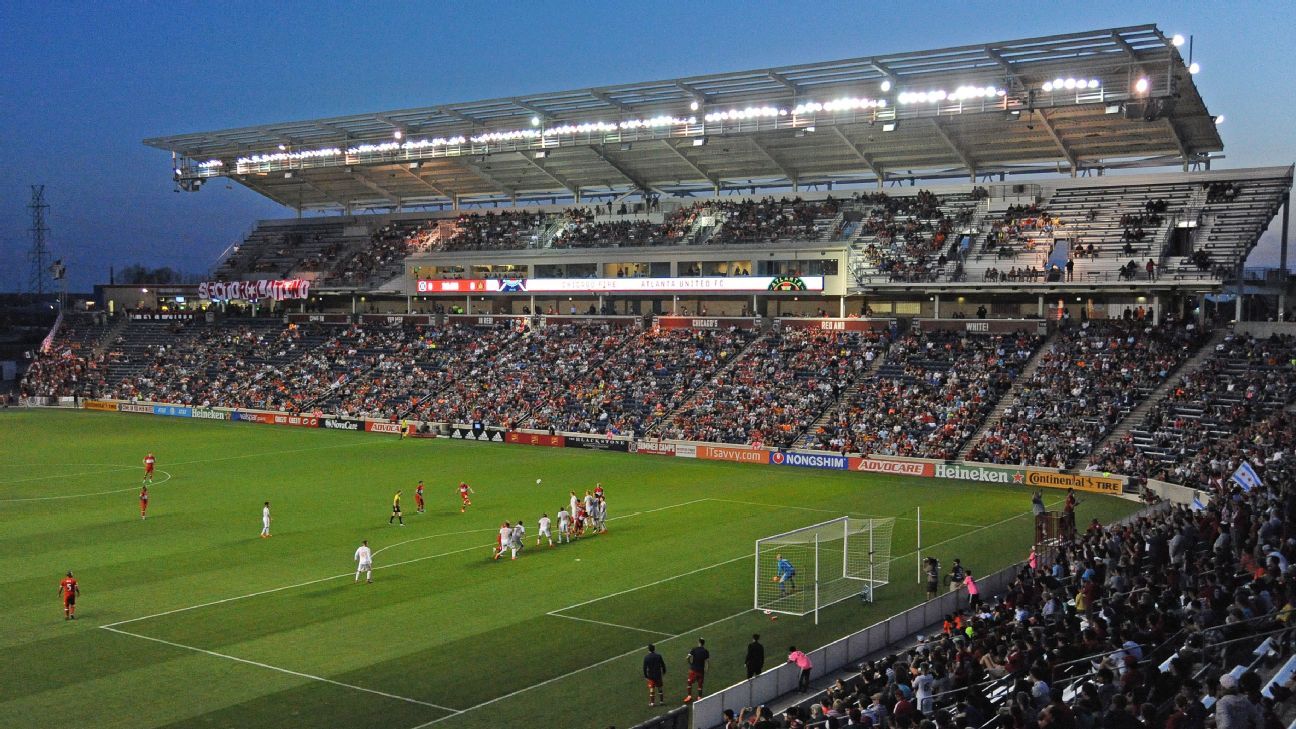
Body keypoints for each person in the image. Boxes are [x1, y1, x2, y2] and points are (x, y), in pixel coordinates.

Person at [684, 638, 710, 702]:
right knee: (700, 685)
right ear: (703, 643)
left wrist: (690, 663)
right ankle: (699, 697)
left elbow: (687, 657)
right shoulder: (706, 651)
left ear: (699, 642)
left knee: (689, 683)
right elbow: (707, 662)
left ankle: (689, 696)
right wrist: (706, 669)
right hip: (701, 671)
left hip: (693, 669)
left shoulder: (694, 649)